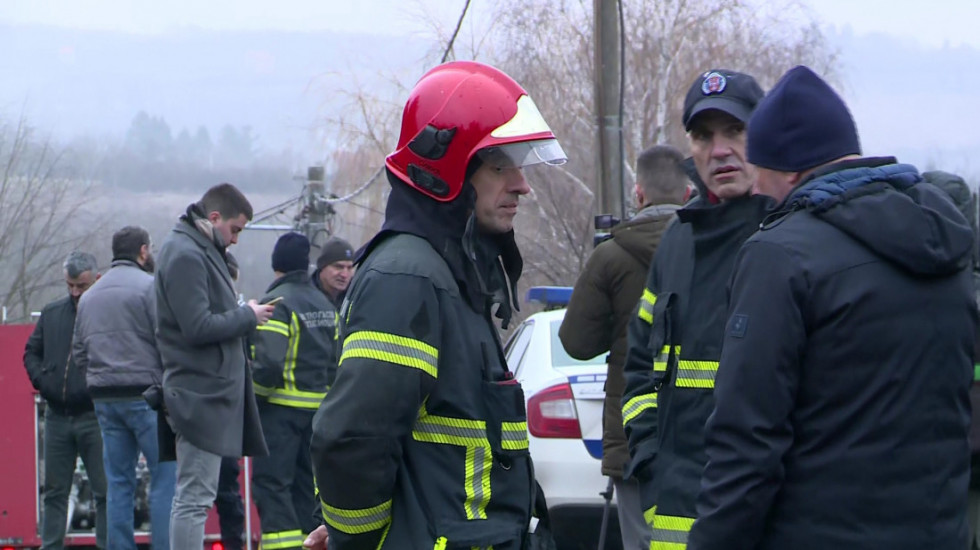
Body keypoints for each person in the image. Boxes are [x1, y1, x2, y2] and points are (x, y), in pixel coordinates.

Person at [687, 65, 977, 549]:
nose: (757, 190)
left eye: (763, 171)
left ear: (790, 169)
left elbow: (747, 446)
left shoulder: (779, 254)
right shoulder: (949, 248)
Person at [304, 60, 567, 550]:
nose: (521, 184)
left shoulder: (450, 275)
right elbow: (351, 439)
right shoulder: (408, 278)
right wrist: (358, 542)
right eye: (499, 165)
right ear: (446, 167)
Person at [619, 69, 770, 548]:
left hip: (766, 519)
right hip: (674, 518)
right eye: (703, 136)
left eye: (735, 131)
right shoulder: (677, 241)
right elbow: (640, 362)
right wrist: (648, 454)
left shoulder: (790, 234)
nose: (719, 149)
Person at [558, 144, 689, 549]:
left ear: (638, 195)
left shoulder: (612, 256)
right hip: (703, 429)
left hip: (633, 432)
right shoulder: (715, 249)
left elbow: (576, 343)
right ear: (689, 193)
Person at [154, 183, 274, 550]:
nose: (235, 240)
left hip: (203, 393)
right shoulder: (187, 254)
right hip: (200, 396)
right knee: (194, 500)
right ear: (215, 218)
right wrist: (246, 316)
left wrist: (241, 314)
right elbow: (198, 327)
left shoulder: (192, 249)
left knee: (195, 497)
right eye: (235, 230)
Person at [72, 226, 175, 550]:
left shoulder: (89, 297)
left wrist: (100, 376)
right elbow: (167, 340)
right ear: (143, 251)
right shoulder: (149, 287)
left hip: (105, 399)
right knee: (164, 480)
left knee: (118, 484)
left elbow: (78, 353)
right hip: (147, 398)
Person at [251, 232, 337, 549]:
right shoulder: (326, 304)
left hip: (280, 414)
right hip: (319, 416)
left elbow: (269, 364)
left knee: (272, 486)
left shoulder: (277, 303)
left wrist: (254, 399)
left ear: (277, 266)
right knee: (308, 490)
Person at [23, 251, 107, 549]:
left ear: (97, 279)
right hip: (57, 416)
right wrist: (43, 382)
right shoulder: (51, 313)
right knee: (55, 493)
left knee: (105, 492)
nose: (74, 292)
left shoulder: (107, 314)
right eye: (70, 285)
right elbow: (31, 352)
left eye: (80, 286)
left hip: (95, 417)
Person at [312, 237, 354, 308]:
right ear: (322, 266)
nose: (345, 275)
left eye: (349, 268)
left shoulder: (355, 295)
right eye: (339, 267)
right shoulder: (305, 296)